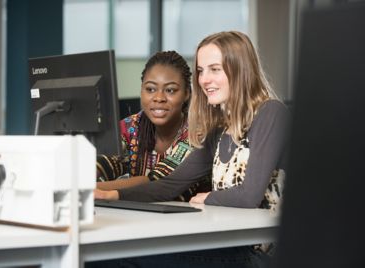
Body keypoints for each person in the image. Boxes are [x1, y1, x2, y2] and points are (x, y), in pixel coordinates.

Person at [94, 31, 290, 267]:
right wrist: (113, 195)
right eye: (200, 70)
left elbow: (249, 195)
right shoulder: (219, 130)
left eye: (215, 69)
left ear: (240, 70)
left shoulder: (270, 113)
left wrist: (209, 198)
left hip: (264, 255)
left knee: (116, 256)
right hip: (231, 245)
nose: (204, 79)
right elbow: (170, 185)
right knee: (106, 253)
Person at [94, 50, 210, 201]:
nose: (159, 98)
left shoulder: (198, 133)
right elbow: (106, 163)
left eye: (170, 90)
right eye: (150, 89)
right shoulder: (130, 127)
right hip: (139, 219)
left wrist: (84, 188)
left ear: (187, 93)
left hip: (193, 221)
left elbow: (157, 184)